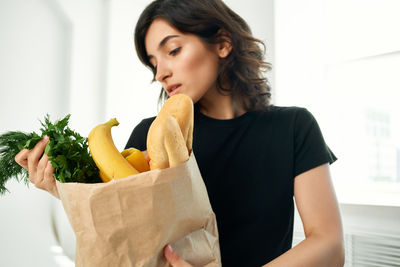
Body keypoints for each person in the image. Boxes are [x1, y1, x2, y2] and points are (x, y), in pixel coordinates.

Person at [15, 0, 345, 266]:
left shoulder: (294, 127)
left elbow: (329, 245)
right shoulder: (149, 134)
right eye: (153, 62)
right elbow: (121, 224)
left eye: (173, 50)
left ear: (222, 43)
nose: (161, 72)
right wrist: (62, 188)